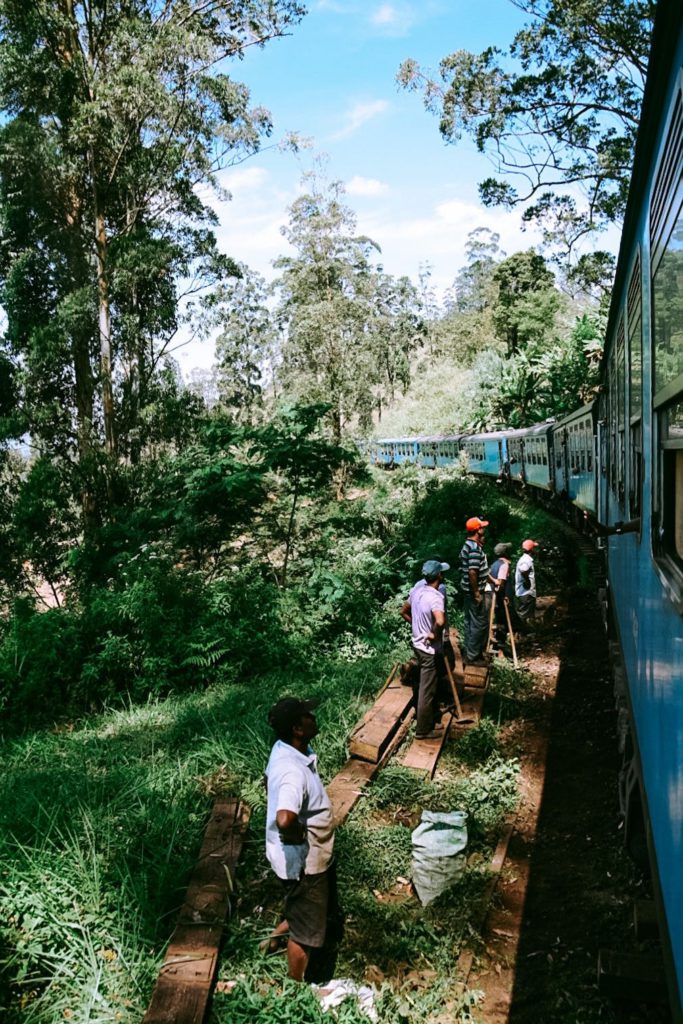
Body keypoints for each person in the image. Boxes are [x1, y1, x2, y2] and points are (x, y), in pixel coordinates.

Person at [264, 697, 338, 981]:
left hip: (308, 857)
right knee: (306, 933)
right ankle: (296, 990)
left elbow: (268, 780)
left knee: (306, 906)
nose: (313, 718)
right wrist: (298, 837)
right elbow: (285, 818)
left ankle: (272, 938)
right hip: (306, 863)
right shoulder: (293, 772)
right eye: (308, 715)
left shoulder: (286, 750)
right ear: (297, 728)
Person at [399, 559, 449, 739]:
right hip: (428, 650)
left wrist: (417, 628)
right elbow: (441, 621)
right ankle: (422, 730)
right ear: (439, 576)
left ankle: (428, 715)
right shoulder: (436, 597)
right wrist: (433, 634)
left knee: (424, 683)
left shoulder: (417, 591)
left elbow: (403, 611)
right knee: (427, 690)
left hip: (417, 644)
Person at [459, 517, 493, 665]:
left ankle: (469, 652)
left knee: (470, 622)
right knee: (479, 623)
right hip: (473, 592)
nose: (484, 530)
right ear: (478, 530)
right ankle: (473, 657)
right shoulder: (474, 548)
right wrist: (477, 594)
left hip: (467, 591)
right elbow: (473, 572)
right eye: (482, 527)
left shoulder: (468, 545)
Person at [489, 542, 514, 654]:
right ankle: (500, 647)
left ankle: (497, 646)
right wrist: (505, 596)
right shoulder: (504, 565)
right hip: (499, 599)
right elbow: (501, 583)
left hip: (493, 597)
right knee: (501, 622)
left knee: (497, 621)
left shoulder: (494, 564)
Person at [515, 539, 539, 627]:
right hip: (526, 593)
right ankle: (523, 633)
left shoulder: (524, 558)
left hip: (524, 592)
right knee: (525, 615)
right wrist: (527, 581)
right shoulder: (527, 560)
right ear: (531, 549)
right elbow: (524, 570)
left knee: (525, 614)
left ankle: (524, 633)